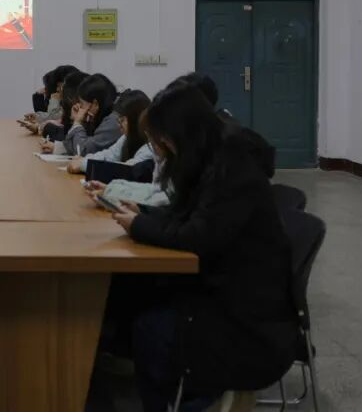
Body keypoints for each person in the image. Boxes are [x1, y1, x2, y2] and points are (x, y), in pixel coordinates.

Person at [106, 84, 297, 411]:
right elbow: (189, 216)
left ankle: (195, 397)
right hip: (220, 288)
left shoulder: (233, 171)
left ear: (183, 134)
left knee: (147, 323)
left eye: (164, 140)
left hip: (246, 317)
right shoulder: (211, 159)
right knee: (128, 294)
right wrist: (146, 214)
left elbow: (196, 236)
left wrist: (139, 225)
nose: (162, 148)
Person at [68, 89, 154, 177]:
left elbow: (128, 171)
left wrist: (84, 165)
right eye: (119, 118)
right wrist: (85, 160)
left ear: (135, 120)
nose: (119, 123)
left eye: (123, 119)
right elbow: (108, 155)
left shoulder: (150, 147)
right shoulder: (126, 138)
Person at [44, 74, 119, 156]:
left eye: (82, 103)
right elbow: (86, 144)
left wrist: (77, 123)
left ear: (95, 104)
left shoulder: (113, 122)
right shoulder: (101, 116)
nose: (79, 107)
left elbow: (82, 151)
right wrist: (59, 148)